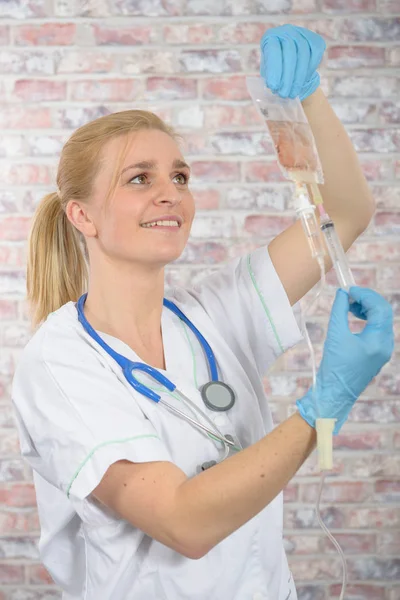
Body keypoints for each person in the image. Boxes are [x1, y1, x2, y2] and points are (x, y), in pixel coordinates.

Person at [11, 25, 393, 600]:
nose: (171, 193)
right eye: (140, 179)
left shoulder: (215, 312)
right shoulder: (60, 364)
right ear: (81, 217)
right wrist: (322, 408)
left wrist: (306, 97)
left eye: (180, 177)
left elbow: (345, 210)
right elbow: (182, 521)